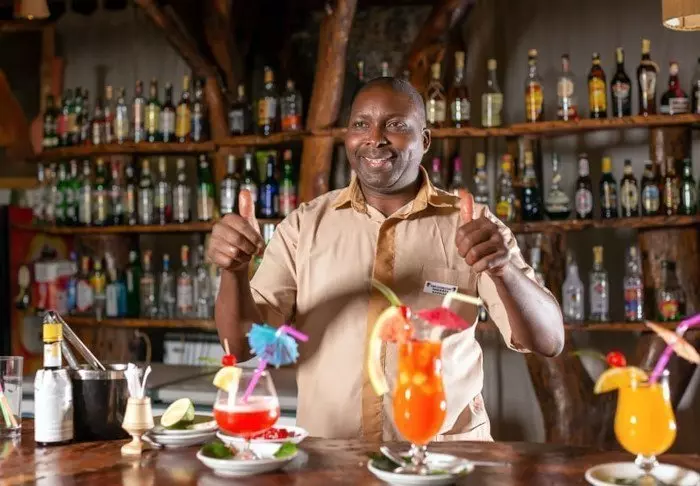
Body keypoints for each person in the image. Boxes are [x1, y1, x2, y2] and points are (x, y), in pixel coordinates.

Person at [208, 77, 564, 442]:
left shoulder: (471, 224)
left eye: (395, 125)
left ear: (424, 140)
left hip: (445, 459)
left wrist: (504, 270)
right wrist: (234, 272)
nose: (375, 138)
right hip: (331, 459)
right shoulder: (304, 225)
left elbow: (549, 340)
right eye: (361, 124)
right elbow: (243, 346)